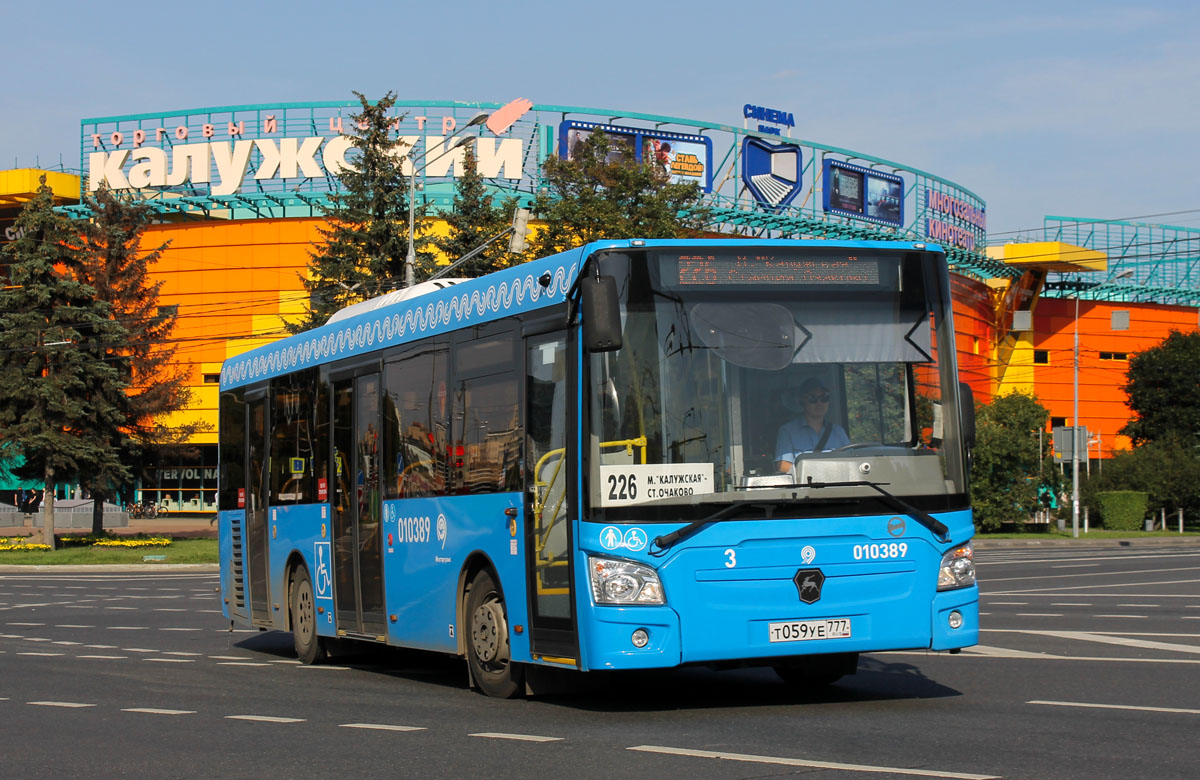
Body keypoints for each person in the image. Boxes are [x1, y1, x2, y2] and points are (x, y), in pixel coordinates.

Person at [775, 378, 850, 473]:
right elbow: (783, 466)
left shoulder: (839, 431)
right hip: (805, 485)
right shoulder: (787, 431)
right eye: (813, 399)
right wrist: (815, 472)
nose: (819, 403)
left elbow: (850, 461)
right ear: (802, 401)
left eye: (824, 398)